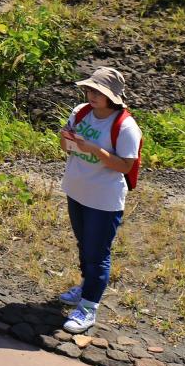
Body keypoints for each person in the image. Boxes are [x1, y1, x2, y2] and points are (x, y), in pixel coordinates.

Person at [57, 66, 141, 335]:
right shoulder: (80, 112)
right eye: (90, 89)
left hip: (104, 199)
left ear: (112, 96)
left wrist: (97, 150)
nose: (91, 94)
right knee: (84, 246)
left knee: (98, 254)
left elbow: (126, 166)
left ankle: (89, 306)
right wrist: (66, 138)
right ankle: (87, 287)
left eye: (98, 91)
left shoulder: (125, 126)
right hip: (77, 190)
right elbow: (66, 148)